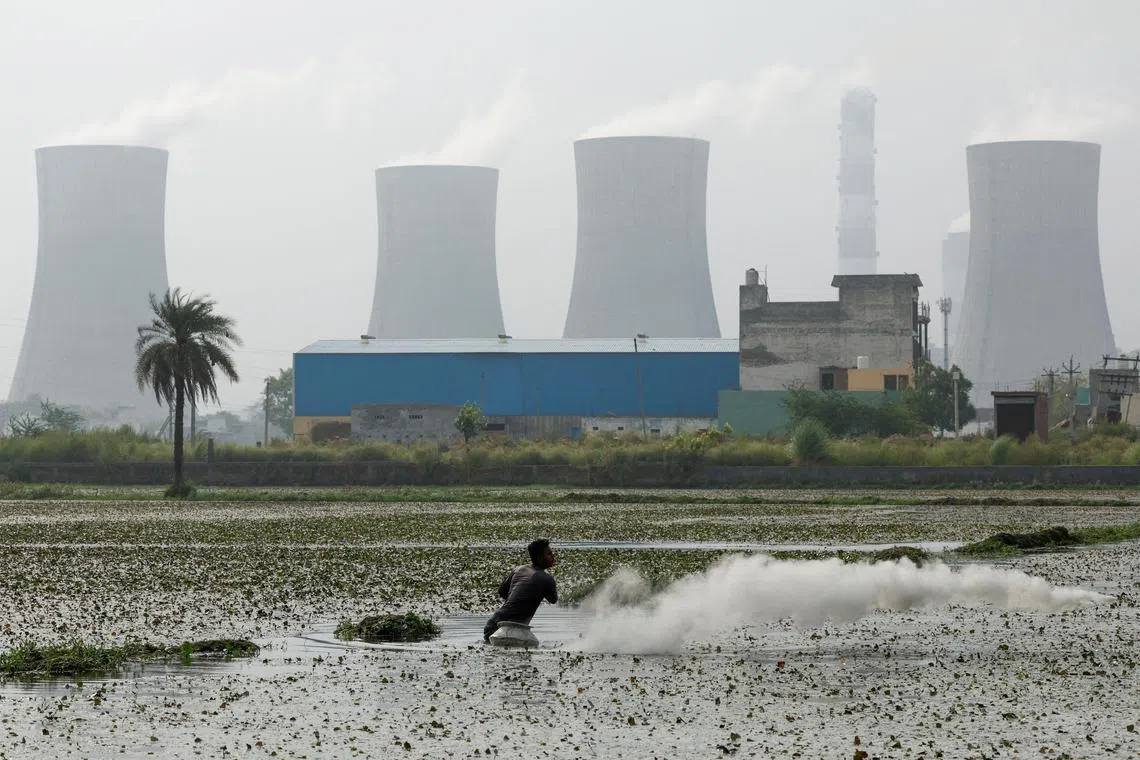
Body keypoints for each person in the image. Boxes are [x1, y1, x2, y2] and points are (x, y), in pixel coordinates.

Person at [483, 539, 558, 643]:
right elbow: (553, 599)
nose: (553, 556)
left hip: (493, 624)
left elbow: (502, 592)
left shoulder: (519, 569)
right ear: (540, 558)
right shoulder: (547, 579)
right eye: (549, 554)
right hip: (515, 631)